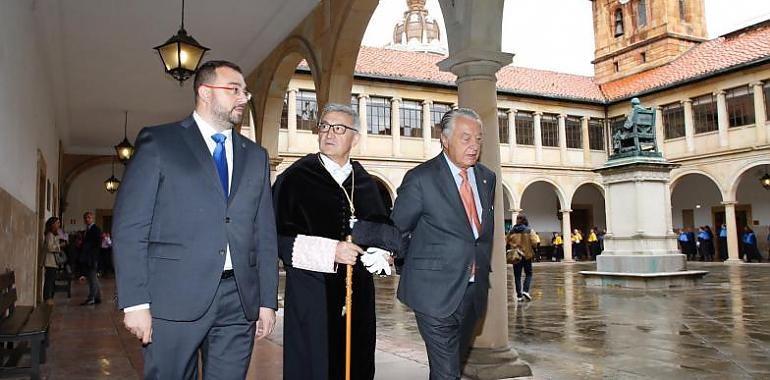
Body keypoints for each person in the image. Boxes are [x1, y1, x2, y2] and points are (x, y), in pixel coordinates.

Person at [112, 60, 278, 379]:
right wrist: (134, 301)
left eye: (245, 91)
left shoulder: (256, 157)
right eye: (234, 90)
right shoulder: (160, 142)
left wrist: (267, 300)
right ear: (204, 92)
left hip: (238, 299)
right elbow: (130, 227)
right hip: (173, 297)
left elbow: (265, 234)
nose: (243, 98)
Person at [273, 103, 397, 380]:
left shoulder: (365, 181)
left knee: (357, 363)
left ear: (355, 138)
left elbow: (380, 226)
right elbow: (275, 239)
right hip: (312, 292)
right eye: (324, 126)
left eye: (338, 128)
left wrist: (381, 252)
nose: (329, 133)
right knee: (315, 365)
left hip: (359, 293)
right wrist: (331, 251)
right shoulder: (294, 179)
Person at [391, 108, 496, 379]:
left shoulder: (486, 178)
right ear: (445, 139)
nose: (474, 145)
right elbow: (398, 229)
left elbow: (477, 234)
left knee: (449, 368)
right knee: (447, 373)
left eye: (478, 139)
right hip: (432, 293)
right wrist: (411, 264)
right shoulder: (421, 179)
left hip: (473, 292)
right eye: (465, 138)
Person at [506, 214, 536, 302]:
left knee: (517, 276)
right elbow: (534, 241)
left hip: (516, 255)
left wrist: (510, 248)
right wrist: (533, 248)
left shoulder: (511, 231)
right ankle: (526, 291)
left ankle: (519, 295)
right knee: (529, 273)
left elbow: (506, 240)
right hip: (526, 255)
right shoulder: (529, 230)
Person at [80, 211, 102, 305]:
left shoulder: (95, 229)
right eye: (86, 218)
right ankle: (97, 297)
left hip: (92, 257)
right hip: (88, 257)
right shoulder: (87, 229)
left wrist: (87, 247)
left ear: (92, 218)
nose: (87, 219)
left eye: (89, 217)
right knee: (93, 278)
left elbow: (97, 243)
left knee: (92, 278)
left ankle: (91, 298)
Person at [42, 216, 62, 303]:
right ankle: (47, 298)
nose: (59, 224)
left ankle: (50, 297)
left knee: (52, 280)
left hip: (53, 262)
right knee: (49, 281)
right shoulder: (49, 234)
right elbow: (49, 247)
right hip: (50, 261)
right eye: (57, 222)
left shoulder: (54, 234)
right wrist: (59, 246)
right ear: (53, 224)